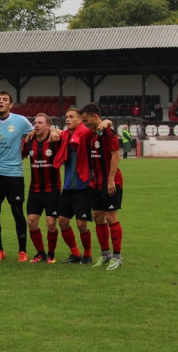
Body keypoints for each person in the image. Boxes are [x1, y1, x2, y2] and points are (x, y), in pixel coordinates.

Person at [0, 91, 34, 262]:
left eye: (5, 100)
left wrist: (55, 130)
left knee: (17, 212)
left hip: (15, 175)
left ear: (11, 105)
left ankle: (22, 251)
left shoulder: (20, 121)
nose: (1, 102)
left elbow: (36, 133)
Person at [81, 103, 125, 271]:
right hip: (96, 183)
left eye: (86, 120)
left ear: (95, 117)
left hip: (111, 182)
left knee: (111, 217)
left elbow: (115, 156)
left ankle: (117, 256)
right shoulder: (92, 134)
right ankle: (105, 254)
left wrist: (111, 179)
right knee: (98, 216)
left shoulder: (107, 132)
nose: (84, 123)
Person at [53, 108, 94, 265]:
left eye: (71, 117)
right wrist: (50, 129)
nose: (67, 119)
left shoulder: (85, 134)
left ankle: (87, 254)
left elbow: (96, 130)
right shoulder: (65, 136)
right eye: (66, 117)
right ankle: (75, 253)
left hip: (83, 186)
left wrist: (106, 122)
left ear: (80, 120)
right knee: (62, 220)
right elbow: (55, 130)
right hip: (68, 187)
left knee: (81, 223)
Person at [22, 113, 62, 263]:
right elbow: (20, 154)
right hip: (35, 190)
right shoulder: (30, 141)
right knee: (31, 222)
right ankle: (40, 253)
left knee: (51, 223)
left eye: (40, 123)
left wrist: (54, 132)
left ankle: (51, 254)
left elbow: (69, 134)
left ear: (48, 126)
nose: (36, 125)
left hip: (52, 189)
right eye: (35, 123)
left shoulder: (55, 140)